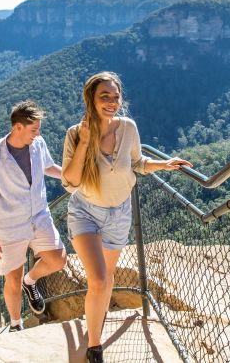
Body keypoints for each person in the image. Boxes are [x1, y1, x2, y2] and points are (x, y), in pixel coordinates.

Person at [62, 71, 193, 363]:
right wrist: (84, 143)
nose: (111, 102)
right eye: (104, 96)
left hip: (120, 214)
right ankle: (94, 347)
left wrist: (165, 163)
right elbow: (69, 182)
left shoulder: (129, 128)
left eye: (115, 96)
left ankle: (94, 317)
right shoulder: (75, 133)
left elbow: (137, 162)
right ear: (91, 99)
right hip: (86, 212)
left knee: (106, 279)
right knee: (97, 280)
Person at [0, 100, 67, 332]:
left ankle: (31, 281)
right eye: (34, 129)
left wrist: (70, 178)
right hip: (9, 226)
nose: (38, 133)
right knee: (12, 277)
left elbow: (49, 167)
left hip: (39, 216)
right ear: (17, 127)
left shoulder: (38, 143)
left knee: (58, 259)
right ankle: (16, 324)